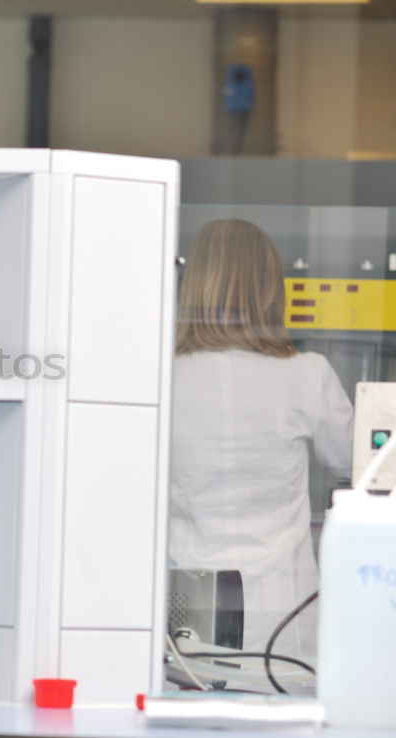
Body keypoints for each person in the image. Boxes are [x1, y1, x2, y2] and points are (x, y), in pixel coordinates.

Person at [169, 218, 352, 663]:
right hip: (283, 610)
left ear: (193, 284)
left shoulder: (160, 376)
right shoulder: (306, 375)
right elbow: (364, 464)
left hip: (186, 602)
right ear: (271, 288)